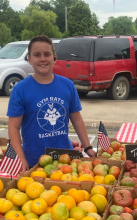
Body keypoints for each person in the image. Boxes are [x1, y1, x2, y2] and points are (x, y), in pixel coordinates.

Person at [7, 35, 97, 172]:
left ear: (54, 57)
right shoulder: (20, 89)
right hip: (34, 162)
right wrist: (21, 159)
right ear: (29, 59)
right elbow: (13, 128)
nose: (42, 59)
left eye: (47, 54)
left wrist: (88, 147)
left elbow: (77, 119)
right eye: (37, 55)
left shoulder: (67, 85)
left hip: (65, 160)